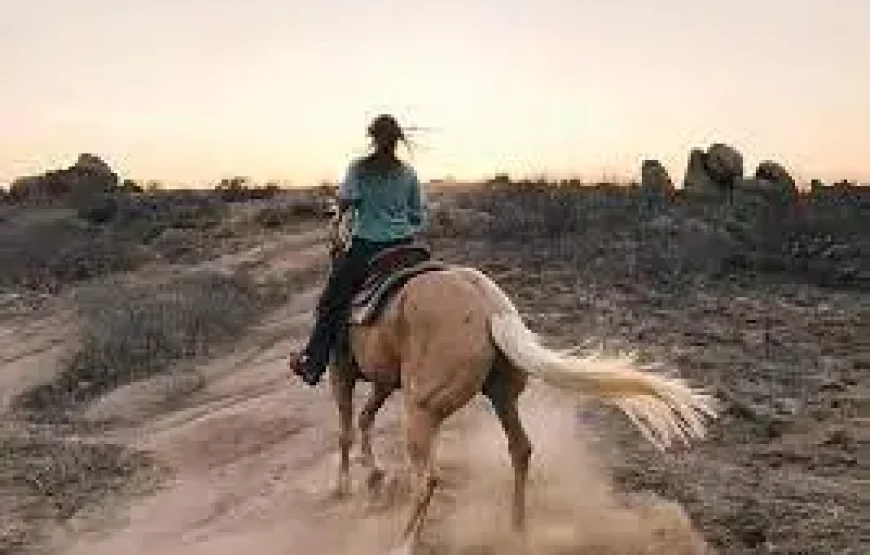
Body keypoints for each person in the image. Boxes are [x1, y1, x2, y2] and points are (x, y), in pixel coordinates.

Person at [289, 114, 427, 387]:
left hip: (368, 248)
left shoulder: (359, 169)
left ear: (372, 139)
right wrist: (398, 220)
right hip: (408, 249)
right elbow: (416, 216)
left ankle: (313, 363)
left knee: (331, 301)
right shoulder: (409, 173)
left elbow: (345, 203)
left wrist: (343, 207)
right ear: (398, 141)